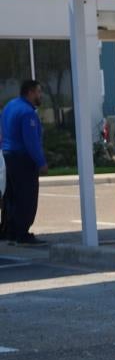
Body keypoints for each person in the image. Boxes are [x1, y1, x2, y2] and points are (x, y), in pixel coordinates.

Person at [1, 79, 47, 245]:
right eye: (38, 92)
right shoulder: (28, 113)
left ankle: (9, 231)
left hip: (8, 156)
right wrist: (41, 161)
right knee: (27, 197)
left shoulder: (9, 106)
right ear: (30, 92)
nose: (40, 95)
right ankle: (22, 233)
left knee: (11, 196)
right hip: (23, 159)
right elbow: (31, 142)